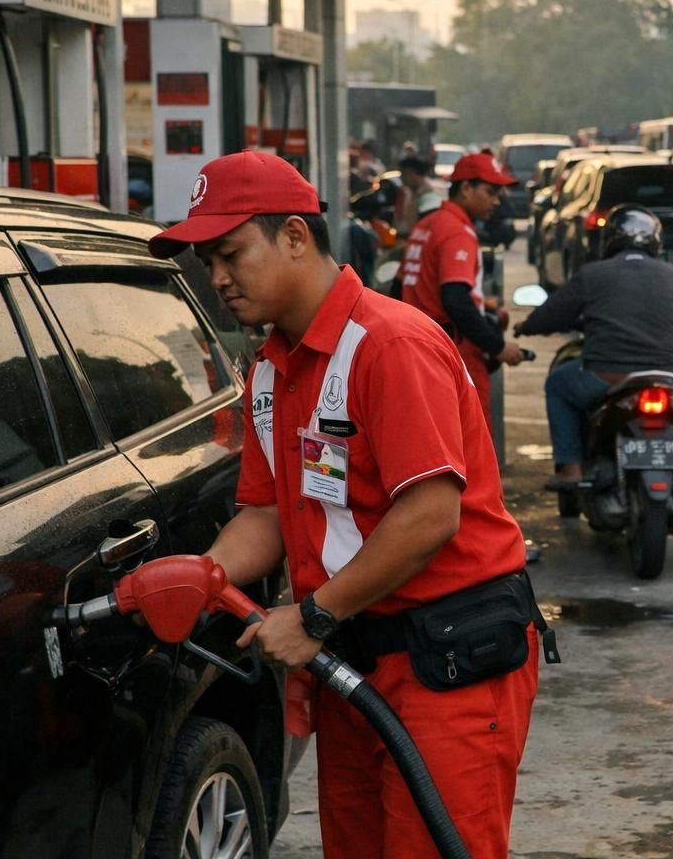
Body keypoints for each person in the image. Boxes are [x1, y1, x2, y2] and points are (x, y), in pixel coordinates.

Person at [146, 150, 551, 859]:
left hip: (447, 660)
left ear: (295, 236)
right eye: (208, 261)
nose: (217, 278)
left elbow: (429, 515)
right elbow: (267, 514)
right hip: (351, 659)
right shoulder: (271, 368)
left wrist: (313, 615)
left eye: (231, 254)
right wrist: (201, 575)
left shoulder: (389, 344)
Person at [516, 206, 673, 488]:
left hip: (608, 376)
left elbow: (553, 313)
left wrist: (526, 326)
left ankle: (571, 469)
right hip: (665, 376)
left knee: (557, 385)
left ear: (610, 240)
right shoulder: (671, 275)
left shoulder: (592, 274)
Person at [399, 153, 528, 425]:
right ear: (466, 188)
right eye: (491, 192)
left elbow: (400, 287)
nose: (497, 201)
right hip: (453, 350)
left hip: (415, 348)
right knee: (472, 436)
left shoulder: (427, 224)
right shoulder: (457, 231)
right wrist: (497, 346)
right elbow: (455, 299)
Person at [393, 155, 432, 238]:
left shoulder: (428, 196)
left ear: (412, 173)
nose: (401, 178)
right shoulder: (407, 192)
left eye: (403, 174)